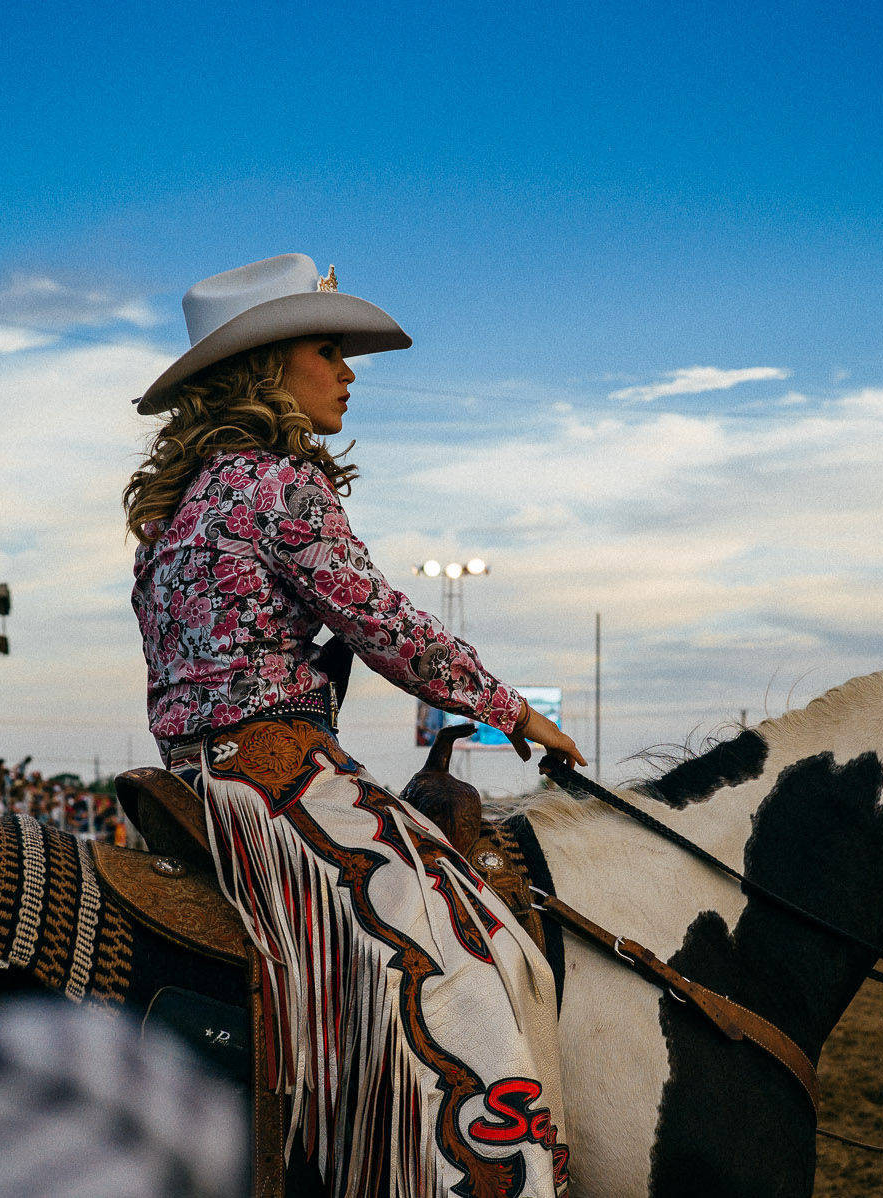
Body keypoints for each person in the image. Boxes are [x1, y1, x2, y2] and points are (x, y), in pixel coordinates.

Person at [126, 254, 579, 1198]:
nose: (349, 371)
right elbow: (387, 625)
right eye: (329, 350)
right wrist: (516, 711)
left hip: (191, 779)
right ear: (266, 369)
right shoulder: (280, 486)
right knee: (463, 945)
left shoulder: (178, 512)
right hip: (278, 782)